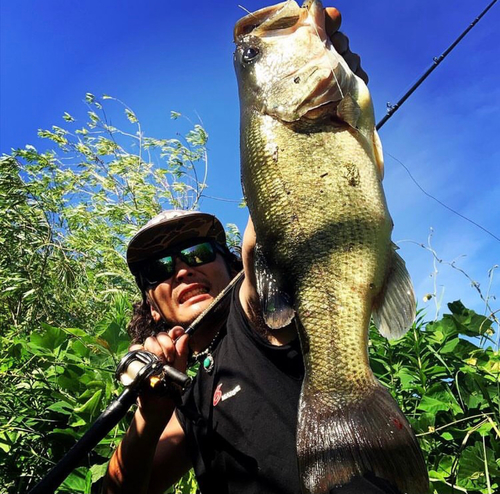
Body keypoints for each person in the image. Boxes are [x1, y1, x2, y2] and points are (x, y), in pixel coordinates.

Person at [103, 8, 401, 494]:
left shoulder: (254, 307)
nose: (181, 269)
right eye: (160, 267)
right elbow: (122, 490)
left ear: (229, 264)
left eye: (198, 252)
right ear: (152, 304)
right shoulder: (193, 395)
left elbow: (272, 224)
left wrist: (324, 85)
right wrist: (149, 415)